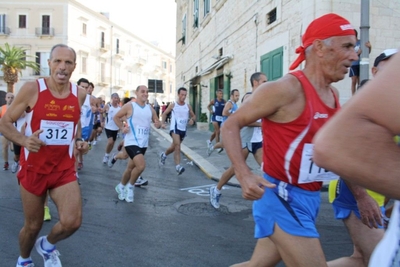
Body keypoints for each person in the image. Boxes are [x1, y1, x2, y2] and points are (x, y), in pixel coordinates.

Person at [222, 14, 358, 267]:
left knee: (256, 265)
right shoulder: (285, 89)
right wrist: (244, 174)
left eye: (355, 47)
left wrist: (360, 195)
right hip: (281, 196)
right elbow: (230, 124)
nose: (355, 55)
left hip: (308, 199)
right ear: (319, 47)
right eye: (347, 46)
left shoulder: (333, 94)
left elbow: (336, 151)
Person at [0, 44, 88, 267]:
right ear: (49, 63)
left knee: (72, 222)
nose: (62, 67)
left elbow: (74, 123)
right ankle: (24, 259)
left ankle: (47, 246)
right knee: (32, 226)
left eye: (68, 62)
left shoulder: (80, 94)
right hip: (34, 169)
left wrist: (79, 142)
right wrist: (24, 141)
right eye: (58, 61)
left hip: (63, 169)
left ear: (74, 67)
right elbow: (5, 122)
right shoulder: (33, 89)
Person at [312, 49, 400, 267]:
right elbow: (335, 147)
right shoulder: (368, 99)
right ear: (375, 70)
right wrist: (362, 197)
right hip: (355, 192)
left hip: (377, 196)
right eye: (390, 65)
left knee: (361, 260)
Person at [209, 73, 266, 209]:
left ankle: (267, 199)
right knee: (234, 169)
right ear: (256, 82)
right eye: (264, 81)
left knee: (267, 167)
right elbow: (244, 121)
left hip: (258, 140)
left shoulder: (263, 98)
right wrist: (260, 125)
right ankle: (216, 190)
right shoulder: (248, 98)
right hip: (246, 139)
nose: (267, 83)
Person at [114, 85, 160, 203]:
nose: (145, 94)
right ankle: (130, 187)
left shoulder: (150, 108)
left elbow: (156, 120)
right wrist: (122, 127)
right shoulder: (130, 106)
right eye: (142, 91)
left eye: (147, 92)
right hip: (131, 142)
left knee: (130, 168)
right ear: (137, 93)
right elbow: (116, 117)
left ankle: (121, 186)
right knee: (141, 166)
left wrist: (158, 123)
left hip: (143, 143)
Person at [108, 96, 148, 187]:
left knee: (135, 158)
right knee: (125, 156)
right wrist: (123, 127)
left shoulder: (142, 109)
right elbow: (119, 117)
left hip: (139, 139)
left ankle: (136, 178)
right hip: (129, 135)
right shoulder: (128, 108)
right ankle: (115, 156)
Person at [159, 87, 196, 175]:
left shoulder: (187, 106)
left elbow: (194, 116)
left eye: (185, 95)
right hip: (174, 129)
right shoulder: (173, 105)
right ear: (178, 95)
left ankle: (163, 155)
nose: (183, 97)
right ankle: (178, 166)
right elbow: (164, 114)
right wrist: (162, 123)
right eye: (182, 95)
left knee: (173, 147)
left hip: (183, 130)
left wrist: (192, 120)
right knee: (178, 146)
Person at [207, 89, 240, 156]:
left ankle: (212, 148)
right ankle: (213, 147)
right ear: (232, 96)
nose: (238, 97)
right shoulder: (229, 103)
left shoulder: (235, 104)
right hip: (226, 126)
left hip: (231, 126)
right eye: (236, 95)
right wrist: (234, 116)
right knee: (220, 135)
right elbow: (224, 112)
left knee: (228, 142)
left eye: (238, 95)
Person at [349, 29, 372, 95]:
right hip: (353, 64)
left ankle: (359, 95)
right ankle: (353, 96)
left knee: (360, 81)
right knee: (354, 80)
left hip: (360, 64)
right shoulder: (350, 44)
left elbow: (367, 52)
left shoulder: (361, 42)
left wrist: (369, 47)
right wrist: (357, 53)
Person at [102, 93, 121, 164]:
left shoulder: (119, 108)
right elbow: (102, 113)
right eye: (115, 98)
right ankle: (106, 156)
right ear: (112, 98)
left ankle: (107, 154)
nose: (116, 99)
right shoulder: (108, 106)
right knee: (110, 141)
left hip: (115, 128)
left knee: (112, 143)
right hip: (108, 127)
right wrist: (102, 121)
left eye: (117, 98)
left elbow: (121, 117)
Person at [0, 92, 15, 170]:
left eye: (12, 97)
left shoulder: (17, 108)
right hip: (4, 130)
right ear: (5, 99)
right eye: (8, 97)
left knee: (13, 149)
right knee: (5, 147)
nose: (10, 99)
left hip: (15, 130)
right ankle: (6, 163)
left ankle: (16, 162)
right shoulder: (2, 108)